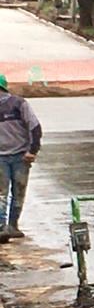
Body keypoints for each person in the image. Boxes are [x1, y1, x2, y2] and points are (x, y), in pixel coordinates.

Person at [0, 74, 42, 242]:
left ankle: (9, 226)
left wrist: (32, 150)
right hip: (7, 157)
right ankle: (6, 226)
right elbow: (35, 127)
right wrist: (32, 151)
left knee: (9, 193)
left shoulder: (19, 104)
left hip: (19, 157)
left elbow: (35, 127)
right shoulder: (20, 103)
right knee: (12, 193)